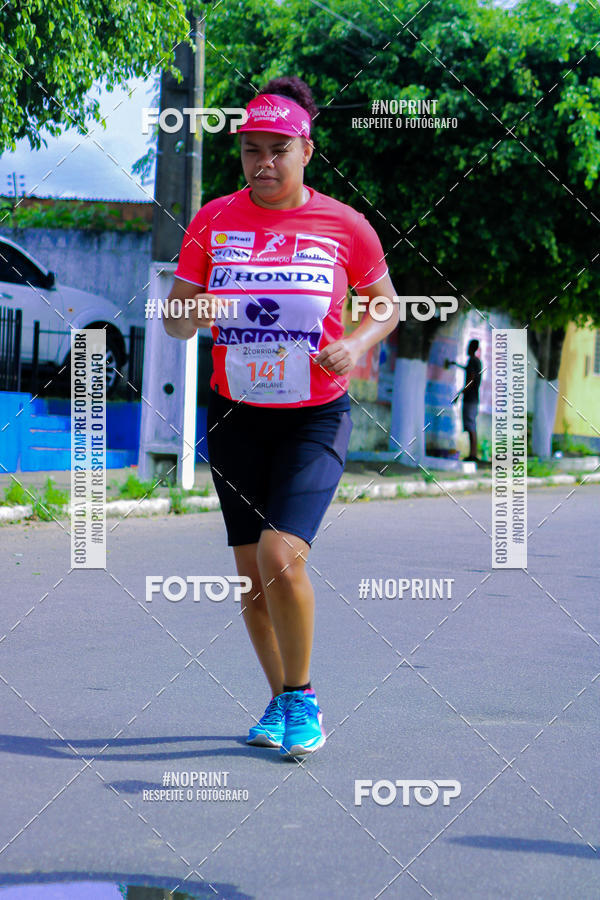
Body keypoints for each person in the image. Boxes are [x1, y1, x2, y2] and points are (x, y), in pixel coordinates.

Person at [163, 76, 399, 758]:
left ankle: (302, 697)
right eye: (251, 150)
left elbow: (386, 304)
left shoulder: (345, 225)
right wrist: (196, 310)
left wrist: (356, 343)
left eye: (278, 150)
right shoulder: (213, 220)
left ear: (307, 151)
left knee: (278, 557)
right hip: (234, 415)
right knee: (252, 577)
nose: (263, 163)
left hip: (313, 418)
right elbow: (175, 318)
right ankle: (279, 700)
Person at [449, 339, 482, 462]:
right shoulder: (475, 361)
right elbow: (468, 370)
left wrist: (459, 394)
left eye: (469, 346)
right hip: (473, 398)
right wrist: (456, 365)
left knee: (471, 426)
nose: (467, 349)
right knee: (470, 426)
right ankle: (473, 453)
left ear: (472, 348)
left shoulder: (473, 361)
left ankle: (473, 454)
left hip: (470, 399)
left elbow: (471, 379)